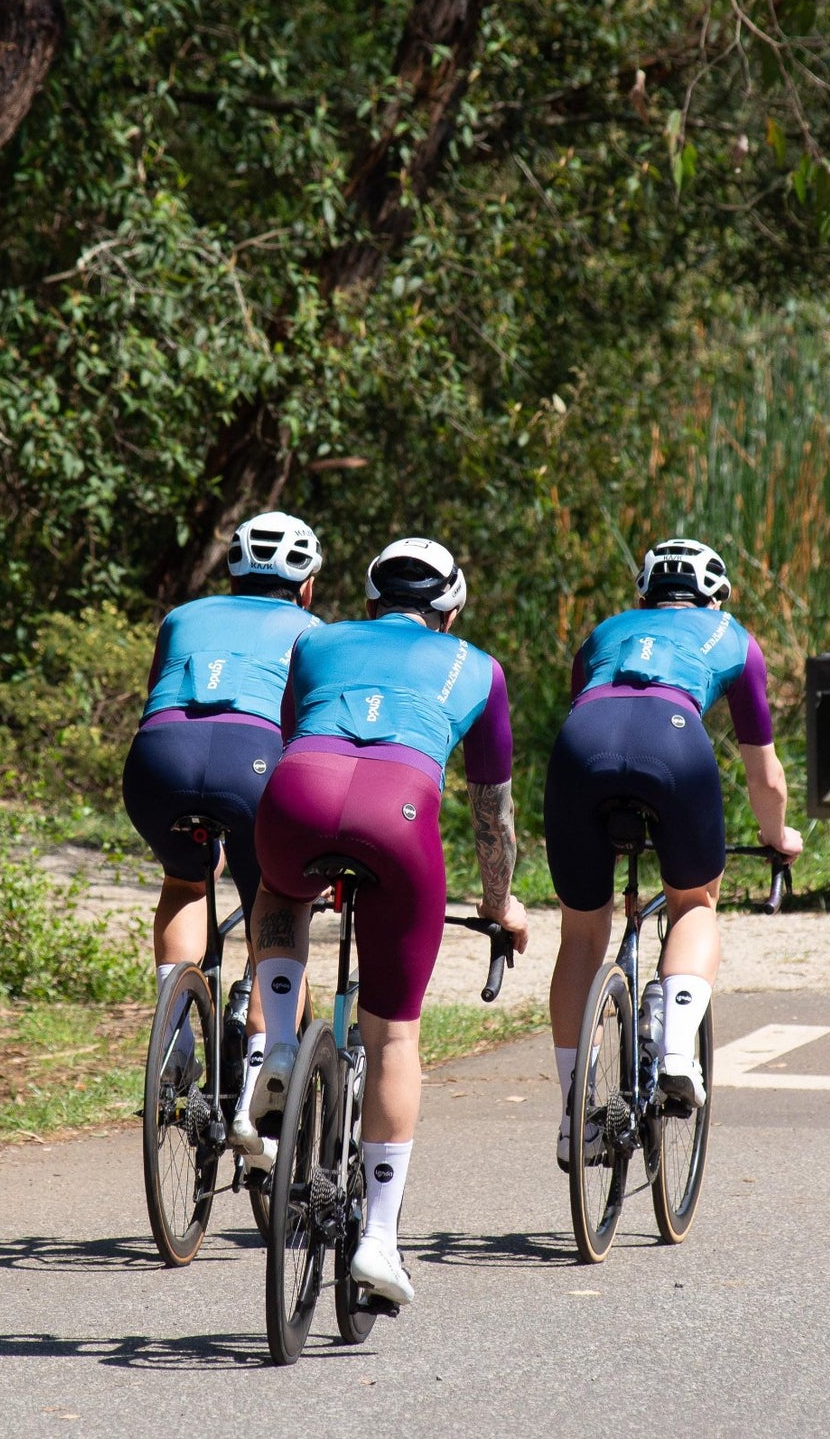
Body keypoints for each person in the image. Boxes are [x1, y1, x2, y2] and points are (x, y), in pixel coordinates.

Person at [233, 536, 530, 1307]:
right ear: (451, 607)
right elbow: (490, 813)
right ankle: (377, 1240)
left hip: (298, 793)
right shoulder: (478, 666)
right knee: (393, 1033)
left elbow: (296, 727)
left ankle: (280, 1045)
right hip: (398, 814)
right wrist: (499, 903)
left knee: (278, 896)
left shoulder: (315, 637)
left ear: (367, 600)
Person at [543, 536, 803, 1162]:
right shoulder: (733, 637)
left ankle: (577, 1115)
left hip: (583, 746)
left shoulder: (606, 631)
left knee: (581, 934)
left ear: (643, 596)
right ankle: (677, 1046)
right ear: (719, 599)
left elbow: (594, 700)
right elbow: (762, 774)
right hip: (675, 743)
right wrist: (777, 837)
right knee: (694, 902)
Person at [121, 511, 323, 1085]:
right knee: (277, 904)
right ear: (307, 586)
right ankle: (264, 1080)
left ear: (232, 572)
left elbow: (157, 696)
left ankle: (175, 1037)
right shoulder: (315, 633)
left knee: (186, 880)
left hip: (159, 759)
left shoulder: (181, 616)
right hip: (253, 760)